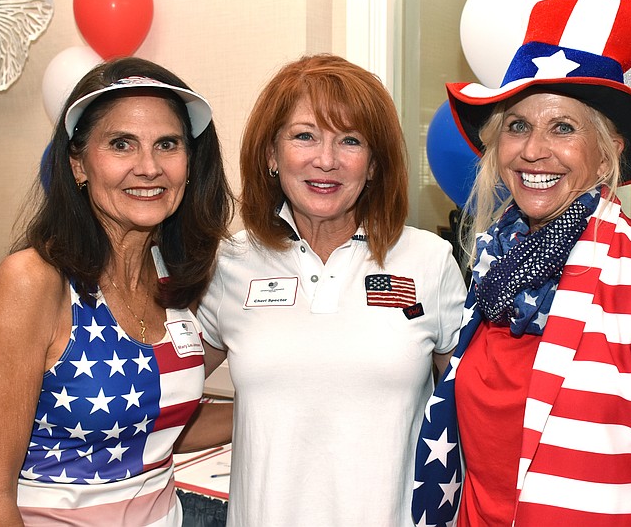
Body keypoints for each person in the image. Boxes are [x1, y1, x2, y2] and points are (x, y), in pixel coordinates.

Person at [413, 0, 631, 527]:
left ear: (609, 150)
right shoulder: (494, 268)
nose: (534, 150)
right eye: (517, 125)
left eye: (563, 127)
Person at [0, 57, 235, 526]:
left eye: (167, 144)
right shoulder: (35, 280)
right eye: (121, 144)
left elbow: (153, 430)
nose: (148, 167)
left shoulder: (181, 276)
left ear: (190, 165)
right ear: (78, 164)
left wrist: (285, 405)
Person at [197, 53, 466, 526]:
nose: (326, 160)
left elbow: (470, 415)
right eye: (305, 136)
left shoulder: (429, 261)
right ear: (270, 155)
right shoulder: (230, 262)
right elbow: (157, 401)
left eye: (350, 140)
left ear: (375, 164)